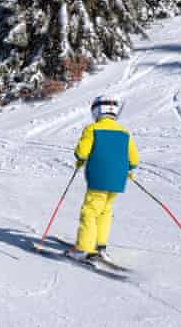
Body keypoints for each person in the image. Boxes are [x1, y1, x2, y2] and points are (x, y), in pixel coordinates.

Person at [66, 96, 139, 261]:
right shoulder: (124, 132)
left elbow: (81, 152)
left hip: (99, 177)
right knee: (105, 210)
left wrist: (80, 159)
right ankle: (100, 245)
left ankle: (83, 248)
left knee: (89, 211)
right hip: (118, 180)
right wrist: (126, 169)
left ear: (96, 110)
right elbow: (134, 160)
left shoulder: (92, 129)